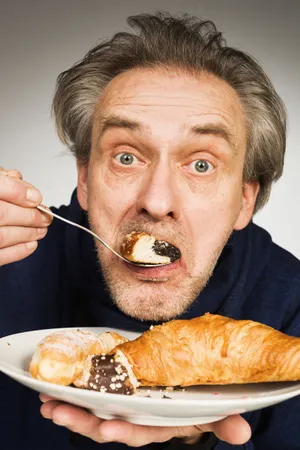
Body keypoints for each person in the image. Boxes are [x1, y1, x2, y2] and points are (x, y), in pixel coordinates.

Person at [0, 11, 299, 450]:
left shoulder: (290, 305)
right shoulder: (11, 259)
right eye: (126, 157)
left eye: (201, 164)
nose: (156, 202)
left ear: (244, 200)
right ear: (85, 180)